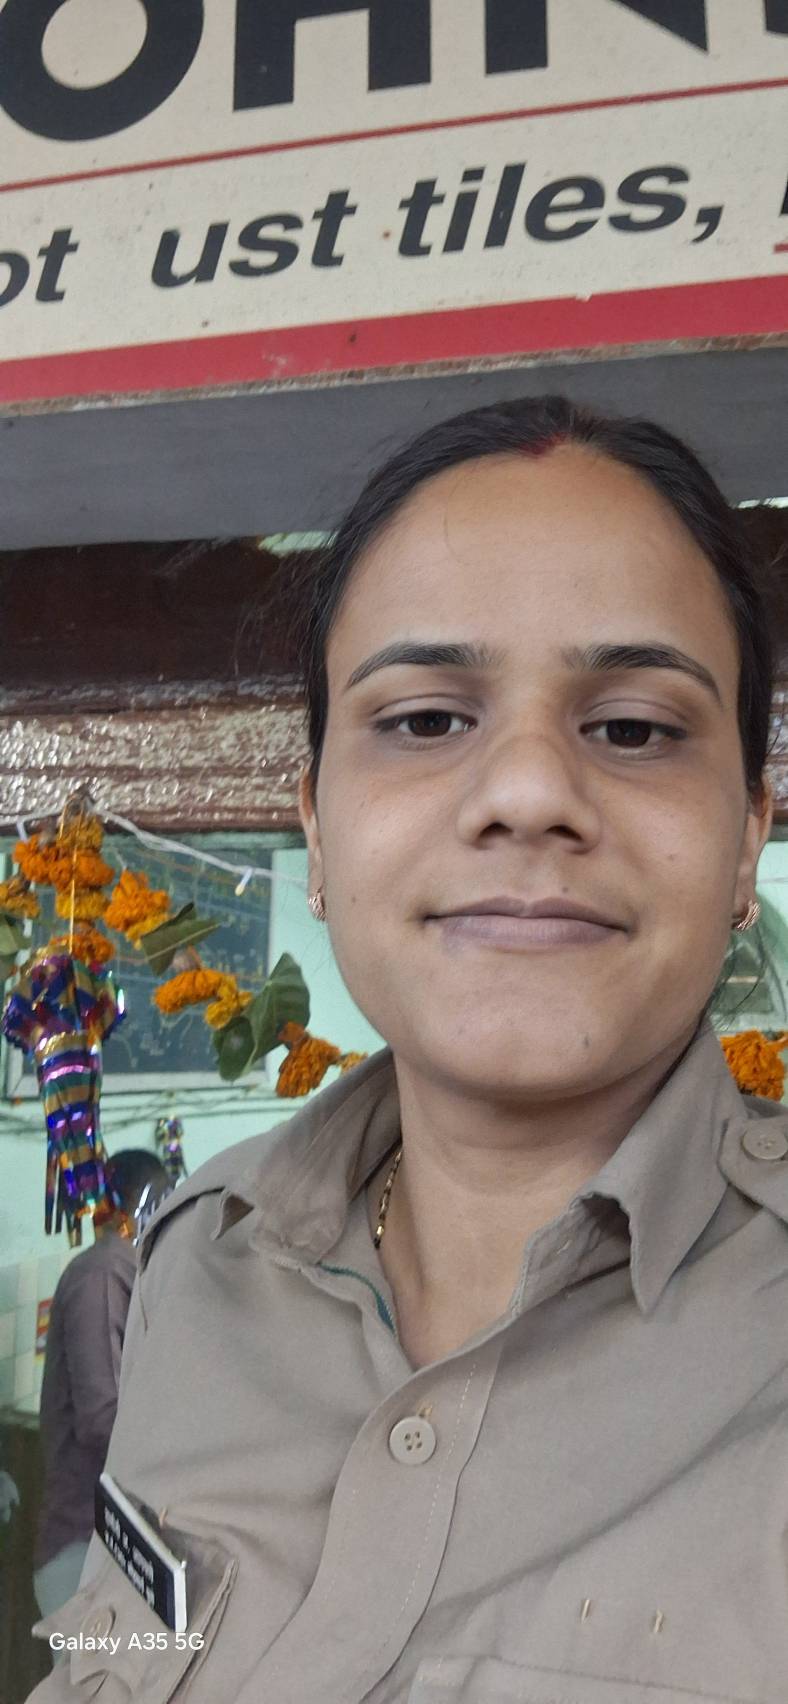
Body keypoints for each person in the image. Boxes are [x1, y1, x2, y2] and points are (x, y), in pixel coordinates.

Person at [27, 397, 788, 1702]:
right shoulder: (198, 1275)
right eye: (427, 720)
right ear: (318, 832)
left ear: (745, 839)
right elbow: (114, 1647)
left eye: (634, 728)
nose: (528, 793)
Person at [32, 1150, 171, 1622]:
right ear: (152, 1204)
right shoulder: (104, 1272)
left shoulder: (129, 1272)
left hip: (109, 1544)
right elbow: (101, 1420)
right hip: (84, 1548)